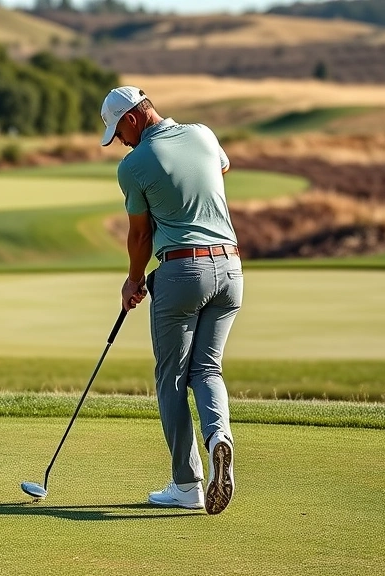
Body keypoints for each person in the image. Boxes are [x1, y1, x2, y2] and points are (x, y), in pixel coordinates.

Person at [101, 86, 242, 515]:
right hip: (231, 269)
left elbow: (140, 233)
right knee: (208, 367)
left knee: (172, 377)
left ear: (131, 119)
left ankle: (187, 485)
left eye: (118, 132)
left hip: (183, 270)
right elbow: (221, 168)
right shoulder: (203, 133)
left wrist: (132, 280)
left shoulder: (135, 164)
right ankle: (219, 437)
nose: (120, 142)